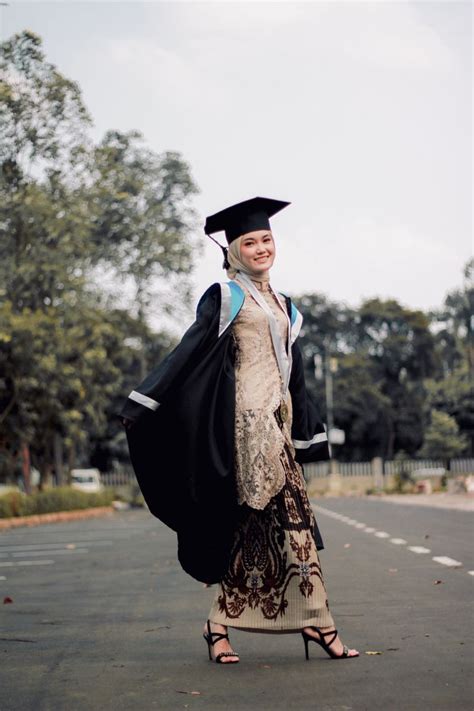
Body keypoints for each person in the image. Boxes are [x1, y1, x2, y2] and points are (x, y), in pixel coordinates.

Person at [120, 196, 359, 664]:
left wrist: (307, 430)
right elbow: (188, 351)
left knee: (274, 532)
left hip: (278, 426)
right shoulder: (226, 297)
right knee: (277, 530)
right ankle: (312, 625)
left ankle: (232, 626)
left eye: (267, 239)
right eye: (250, 242)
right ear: (233, 251)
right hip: (244, 431)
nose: (261, 248)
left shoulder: (288, 307)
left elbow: (297, 374)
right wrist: (145, 398)